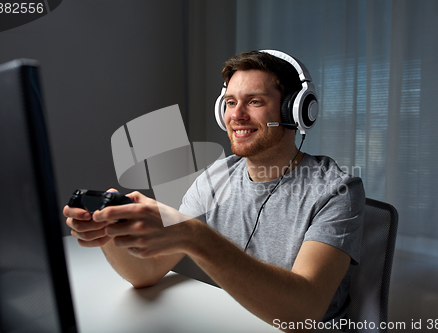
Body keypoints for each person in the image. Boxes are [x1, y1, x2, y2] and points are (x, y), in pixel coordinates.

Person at [64, 50, 365, 330]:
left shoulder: (336, 191)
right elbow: (147, 271)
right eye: (231, 102)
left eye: (255, 101)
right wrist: (108, 231)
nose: (237, 115)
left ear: (295, 110)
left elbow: (304, 312)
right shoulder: (216, 177)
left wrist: (194, 237)